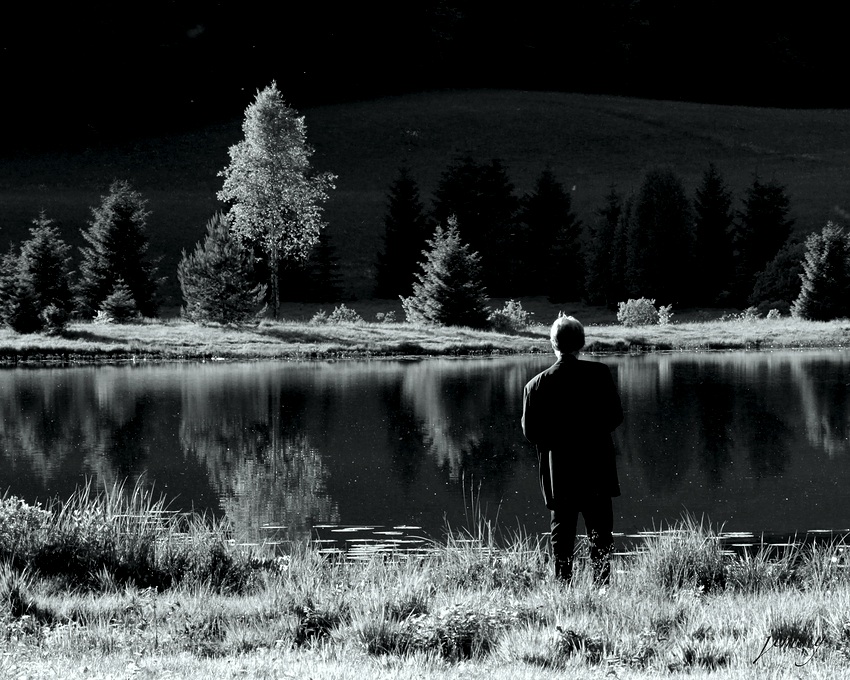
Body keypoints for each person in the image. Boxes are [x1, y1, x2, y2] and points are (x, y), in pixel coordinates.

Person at [521, 314, 623, 584]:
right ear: (582, 344)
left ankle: (563, 587)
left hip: (559, 472)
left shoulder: (535, 385)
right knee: (601, 533)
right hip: (596, 467)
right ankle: (602, 586)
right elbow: (615, 417)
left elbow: (530, 434)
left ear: (553, 344)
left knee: (562, 534)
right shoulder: (599, 374)